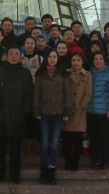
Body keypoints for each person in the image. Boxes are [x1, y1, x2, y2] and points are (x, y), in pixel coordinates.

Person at [0, 45, 33, 184]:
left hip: (18, 117)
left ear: (20, 57)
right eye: (11, 54)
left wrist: (24, 111)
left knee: (16, 151)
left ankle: (15, 176)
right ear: (6, 56)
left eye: (16, 54)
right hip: (1, 117)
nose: (14, 56)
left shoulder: (25, 73)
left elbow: (29, 94)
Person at [33, 48, 71, 185]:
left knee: (54, 144)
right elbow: (36, 94)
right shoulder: (40, 74)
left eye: (55, 56)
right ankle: (43, 172)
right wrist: (36, 111)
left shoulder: (63, 73)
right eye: (50, 56)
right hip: (44, 114)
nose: (52, 59)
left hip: (58, 114)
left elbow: (67, 94)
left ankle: (51, 171)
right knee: (45, 144)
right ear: (46, 58)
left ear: (58, 58)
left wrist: (67, 111)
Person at [87, 51, 109, 171]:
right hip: (91, 112)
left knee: (105, 139)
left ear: (104, 61)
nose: (98, 61)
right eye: (96, 59)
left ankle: (103, 162)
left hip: (104, 113)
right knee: (93, 139)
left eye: (100, 59)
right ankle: (94, 161)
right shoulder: (89, 74)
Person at [62, 53, 92, 171]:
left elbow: (88, 93)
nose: (76, 63)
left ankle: (75, 162)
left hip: (80, 111)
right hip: (67, 111)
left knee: (77, 139)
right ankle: (67, 161)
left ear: (82, 62)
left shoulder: (87, 75)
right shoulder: (66, 73)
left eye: (78, 60)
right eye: (73, 60)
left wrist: (82, 106)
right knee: (67, 140)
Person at [21, 36, 43, 153]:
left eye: (32, 43)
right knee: (22, 117)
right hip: (21, 93)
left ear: (34, 45)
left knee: (33, 119)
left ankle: (30, 143)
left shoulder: (40, 59)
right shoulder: (19, 57)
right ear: (24, 45)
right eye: (27, 43)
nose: (29, 45)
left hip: (35, 92)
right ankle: (22, 142)